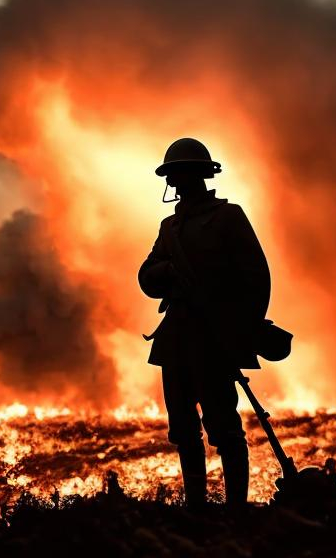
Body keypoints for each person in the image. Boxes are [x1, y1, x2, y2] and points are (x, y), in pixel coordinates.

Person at [138, 138, 271, 509]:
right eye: (175, 174)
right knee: (183, 429)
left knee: (224, 427)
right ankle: (195, 506)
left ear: (200, 174)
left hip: (213, 340)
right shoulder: (170, 227)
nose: (180, 180)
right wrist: (166, 271)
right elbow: (146, 276)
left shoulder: (228, 217)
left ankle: (236, 509)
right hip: (175, 340)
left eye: (184, 172)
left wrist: (239, 330)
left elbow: (256, 280)